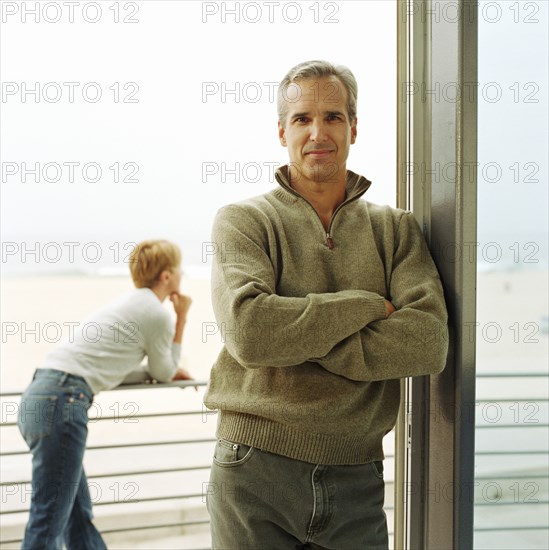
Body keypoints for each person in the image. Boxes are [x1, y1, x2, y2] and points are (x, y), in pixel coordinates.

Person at [203, 60, 449, 549]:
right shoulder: (243, 221)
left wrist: (294, 332)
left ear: (354, 128)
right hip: (254, 468)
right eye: (302, 119)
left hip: (357, 477)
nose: (319, 132)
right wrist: (365, 304)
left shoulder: (394, 229)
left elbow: (428, 343)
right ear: (282, 132)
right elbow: (251, 333)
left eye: (333, 117)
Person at [17, 239, 193, 549]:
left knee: (75, 514)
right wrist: (182, 318)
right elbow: (164, 371)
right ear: (166, 277)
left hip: (42, 395)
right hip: (63, 402)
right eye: (179, 269)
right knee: (48, 522)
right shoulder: (156, 312)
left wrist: (156, 370)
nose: (183, 275)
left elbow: (107, 367)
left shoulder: (129, 304)